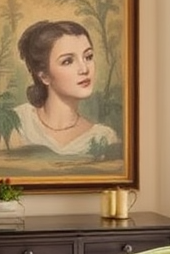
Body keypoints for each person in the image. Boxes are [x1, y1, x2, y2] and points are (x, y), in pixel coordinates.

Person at [9, 19, 119, 156]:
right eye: (68, 61)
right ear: (44, 76)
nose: (84, 69)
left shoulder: (104, 138)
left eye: (88, 57)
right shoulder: (15, 123)